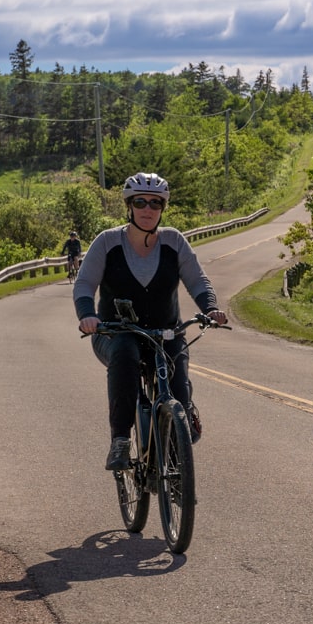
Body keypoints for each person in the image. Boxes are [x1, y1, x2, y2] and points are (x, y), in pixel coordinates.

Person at [74, 173, 228, 470]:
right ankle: (120, 440)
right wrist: (87, 315)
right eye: (140, 202)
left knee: (178, 386)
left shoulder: (174, 241)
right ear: (129, 206)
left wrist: (210, 309)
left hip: (165, 333)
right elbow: (84, 284)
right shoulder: (107, 242)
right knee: (125, 354)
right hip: (114, 333)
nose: (148, 209)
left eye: (155, 203)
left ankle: (178, 435)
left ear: (162, 208)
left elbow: (198, 280)